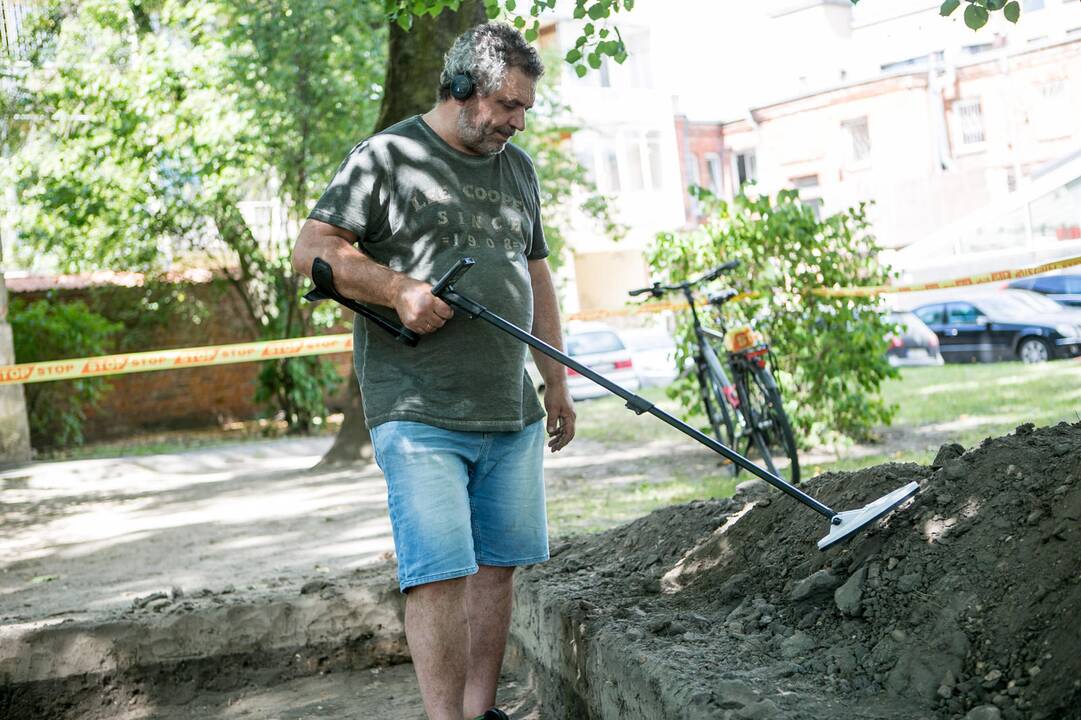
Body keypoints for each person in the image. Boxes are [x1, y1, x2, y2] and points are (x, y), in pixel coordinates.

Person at [290, 21, 576, 720]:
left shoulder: (517, 169)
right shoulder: (386, 157)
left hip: (509, 408)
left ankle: (480, 714)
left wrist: (556, 378)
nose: (516, 120)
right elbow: (311, 249)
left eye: (524, 108)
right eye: (507, 104)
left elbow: (533, 273)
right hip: (418, 410)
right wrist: (397, 290)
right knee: (440, 570)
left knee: (497, 566)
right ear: (458, 87)